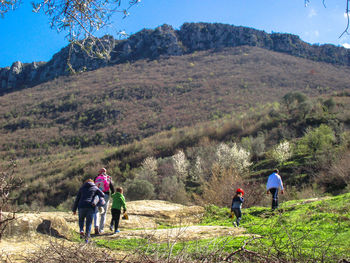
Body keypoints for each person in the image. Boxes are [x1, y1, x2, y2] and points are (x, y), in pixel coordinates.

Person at [72, 179, 104, 243]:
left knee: (81, 220)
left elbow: (77, 199)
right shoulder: (95, 187)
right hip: (90, 207)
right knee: (88, 223)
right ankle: (86, 239)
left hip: (81, 206)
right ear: (93, 182)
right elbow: (102, 194)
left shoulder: (82, 188)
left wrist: (74, 209)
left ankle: (81, 230)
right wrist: (96, 196)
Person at [93, 167, 115, 234]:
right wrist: (113, 195)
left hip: (97, 195)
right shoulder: (108, 178)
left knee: (96, 211)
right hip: (106, 195)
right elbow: (112, 187)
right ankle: (101, 229)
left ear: (99, 172)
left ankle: (96, 226)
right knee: (103, 213)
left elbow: (93, 187)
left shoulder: (96, 178)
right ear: (105, 172)